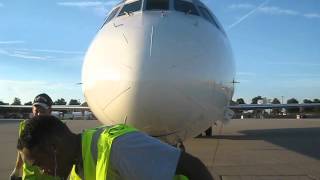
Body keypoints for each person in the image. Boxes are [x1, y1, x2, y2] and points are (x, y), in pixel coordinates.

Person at [17, 115, 214, 180]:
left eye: (39, 163)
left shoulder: (118, 146)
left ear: (54, 148)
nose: (42, 170)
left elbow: (193, 166)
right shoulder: (76, 170)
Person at [10, 93, 55, 180]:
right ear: (32, 110)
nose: (38, 115)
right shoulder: (24, 126)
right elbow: (21, 151)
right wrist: (17, 169)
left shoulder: (59, 128)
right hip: (29, 177)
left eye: (42, 112)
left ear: (50, 110)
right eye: (36, 111)